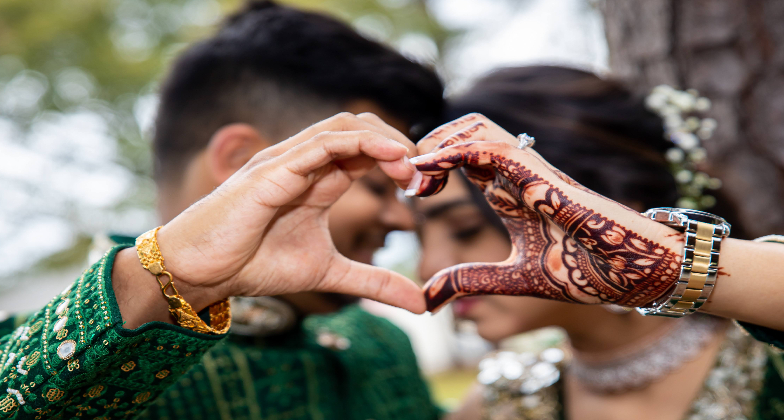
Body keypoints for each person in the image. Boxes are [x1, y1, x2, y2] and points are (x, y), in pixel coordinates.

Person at [0, 2, 444, 419]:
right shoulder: (44, 356)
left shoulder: (382, 342)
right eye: (374, 185)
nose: (405, 220)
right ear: (239, 163)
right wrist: (173, 276)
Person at [411, 66, 784, 419]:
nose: (428, 268)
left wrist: (664, 268)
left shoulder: (770, 360)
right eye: (414, 236)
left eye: (466, 228)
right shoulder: (499, 404)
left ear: (600, 212)